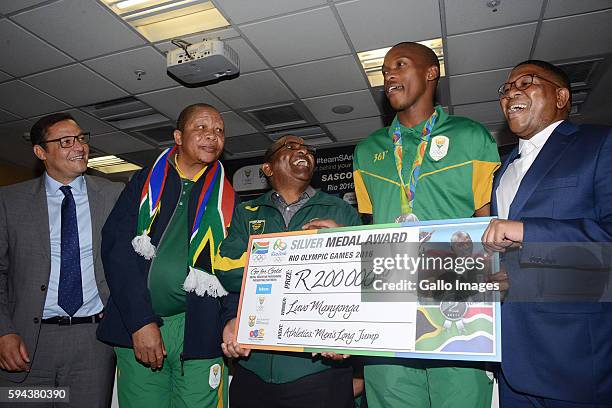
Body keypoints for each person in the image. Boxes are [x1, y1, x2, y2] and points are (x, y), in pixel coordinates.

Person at [352, 42, 500, 408]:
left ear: (431, 73)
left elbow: (488, 223)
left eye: (400, 65)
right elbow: (371, 228)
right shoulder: (367, 151)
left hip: (459, 304)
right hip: (387, 303)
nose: (388, 75)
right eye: (384, 70)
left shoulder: (471, 137)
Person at [482, 59, 612, 406]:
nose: (512, 92)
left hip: (575, 361)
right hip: (512, 361)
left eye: (527, 83)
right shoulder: (503, 170)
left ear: (561, 97)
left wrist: (527, 230)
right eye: (506, 88)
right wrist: (506, 277)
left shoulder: (600, 144)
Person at [96, 103, 236, 408]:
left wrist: (232, 317)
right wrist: (140, 322)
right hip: (143, 324)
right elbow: (117, 252)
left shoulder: (226, 199)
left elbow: (234, 269)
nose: (212, 135)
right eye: (201, 128)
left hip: (200, 328)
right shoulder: (144, 184)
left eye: (219, 130)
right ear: (177, 136)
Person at [215, 135, 361, 408]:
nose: (303, 151)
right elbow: (227, 272)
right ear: (268, 168)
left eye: (308, 149)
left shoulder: (339, 210)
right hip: (253, 369)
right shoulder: (247, 212)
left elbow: (364, 280)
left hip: (318, 372)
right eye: (291, 147)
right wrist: (232, 318)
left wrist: (340, 239)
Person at [0, 113, 123, 407]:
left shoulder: (114, 195)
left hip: (92, 344)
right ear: (41, 152)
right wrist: (4, 332)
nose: (79, 146)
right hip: (28, 344)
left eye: (82, 138)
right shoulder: (9, 201)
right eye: (66, 141)